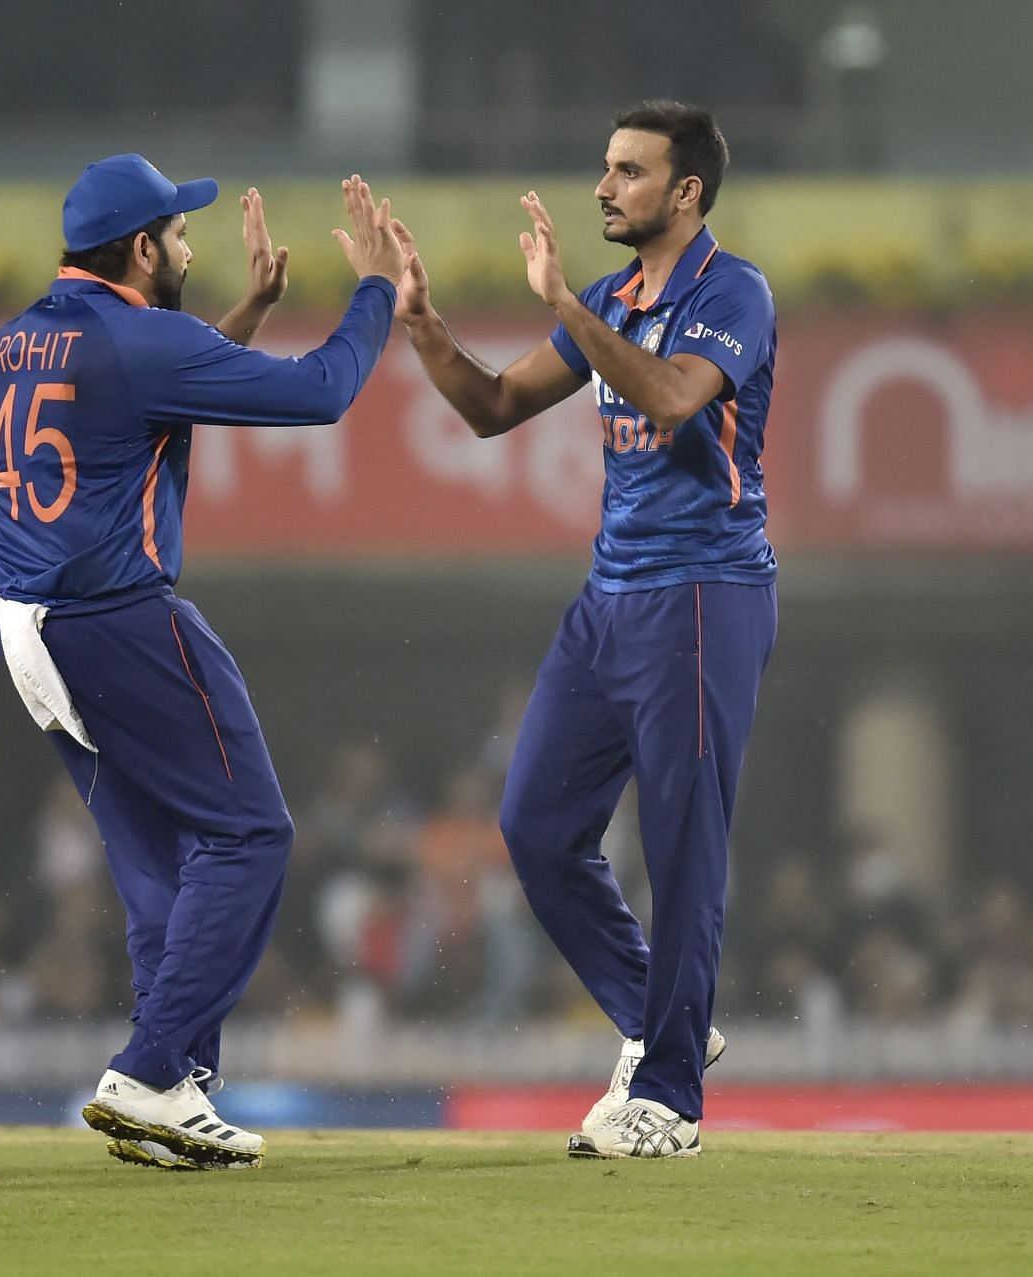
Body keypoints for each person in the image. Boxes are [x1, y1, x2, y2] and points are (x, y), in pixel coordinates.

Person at [0, 154, 405, 1169]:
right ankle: (149, 1066)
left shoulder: (19, 340)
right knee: (251, 832)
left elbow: (145, 404)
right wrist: (379, 288)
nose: (186, 244)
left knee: (160, 872)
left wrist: (245, 311)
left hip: (24, 627)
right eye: (174, 233)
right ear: (138, 249)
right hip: (114, 618)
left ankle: (170, 1098)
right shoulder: (140, 339)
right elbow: (323, 392)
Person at [392, 101, 777, 1158]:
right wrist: (423, 324)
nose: (603, 188)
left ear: (685, 192)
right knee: (536, 825)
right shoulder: (610, 298)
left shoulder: (731, 292)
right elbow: (492, 407)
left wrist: (566, 300)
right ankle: (663, 1025)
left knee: (683, 845)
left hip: (705, 593)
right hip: (608, 599)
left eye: (628, 171)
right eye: (605, 168)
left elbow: (673, 400)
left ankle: (669, 1100)